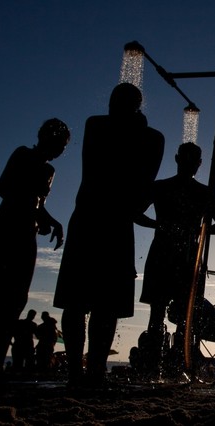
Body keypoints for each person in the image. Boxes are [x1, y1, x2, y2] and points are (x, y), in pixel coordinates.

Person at [54, 82, 164, 387]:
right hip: (102, 218)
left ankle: (92, 370)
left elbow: (145, 183)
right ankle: (82, 370)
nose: (112, 108)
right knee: (81, 302)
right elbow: (144, 181)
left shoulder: (137, 134)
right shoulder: (100, 127)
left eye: (120, 103)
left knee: (101, 304)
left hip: (103, 220)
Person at [0, 118, 69, 377]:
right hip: (6, 228)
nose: (60, 150)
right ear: (43, 137)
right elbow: (3, 188)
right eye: (58, 143)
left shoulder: (49, 171)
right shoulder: (23, 155)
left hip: (27, 232)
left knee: (16, 298)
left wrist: (49, 221)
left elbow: (38, 204)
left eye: (63, 146)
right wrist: (36, 210)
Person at [137, 142, 215, 376]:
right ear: (179, 159)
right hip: (175, 255)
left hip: (182, 256)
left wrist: (195, 230)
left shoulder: (197, 192)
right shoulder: (178, 189)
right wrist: (192, 230)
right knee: (177, 316)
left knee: (174, 315)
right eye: (189, 160)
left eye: (193, 160)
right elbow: (135, 213)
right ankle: (165, 367)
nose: (190, 164)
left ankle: (161, 367)